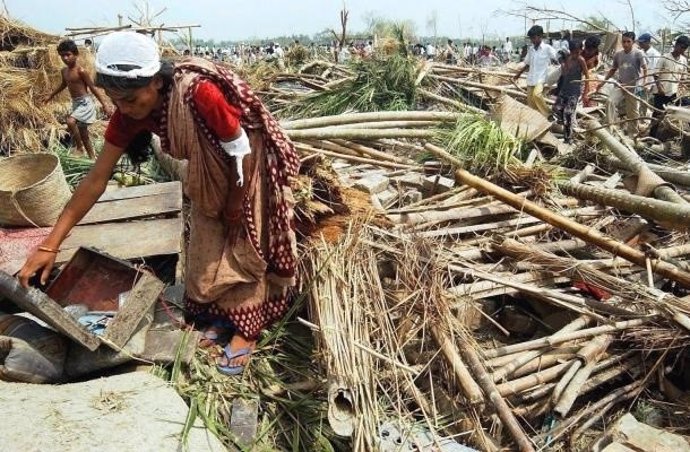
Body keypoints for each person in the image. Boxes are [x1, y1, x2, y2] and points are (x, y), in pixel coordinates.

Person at [18, 31, 300, 377]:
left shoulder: (198, 93)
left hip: (245, 163)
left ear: (156, 82)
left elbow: (238, 147)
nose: (125, 109)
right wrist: (50, 244)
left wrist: (236, 201)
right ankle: (222, 317)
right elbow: (96, 180)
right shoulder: (128, 114)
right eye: (117, 100)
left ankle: (247, 330)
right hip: (207, 168)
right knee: (207, 244)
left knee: (243, 243)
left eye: (132, 99)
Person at [44, 40, 113, 158]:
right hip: (76, 103)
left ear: (76, 55)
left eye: (68, 54)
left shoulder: (81, 71)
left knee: (70, 121)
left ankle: (79, 147)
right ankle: (92, 157)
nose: (65, 58)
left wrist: (105, 104)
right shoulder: (64, 71)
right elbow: (63, 85)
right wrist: (51, 95)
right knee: (84, 134)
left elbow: (93, 88)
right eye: (62, 56)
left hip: (85, 103)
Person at [598, 31, 648, 136]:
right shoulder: (618, 54)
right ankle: (610, 127)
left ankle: (633, 133)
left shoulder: (638, 54)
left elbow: (645, 69)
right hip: (620, 85)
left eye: (628, 42)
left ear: (633, 42)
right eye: (623, 41)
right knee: (610, 101)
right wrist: (602, 83)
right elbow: (613, 69)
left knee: (632, 111)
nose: (625, 44)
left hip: (633, 87)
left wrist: (644, 82)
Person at [513, 25, 558, 117]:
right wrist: (518, 74)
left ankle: (549, 114)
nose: (532, 40)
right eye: (531, 38)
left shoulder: (547, 48)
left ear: (540, 36)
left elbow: (557, 56)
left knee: (537, 95)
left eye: (534, 38)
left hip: (541, 78)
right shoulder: (531, 49)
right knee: (531, 103)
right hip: (531, 79)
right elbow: (527, 63)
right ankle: (537, 118)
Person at [650, 35, 690, 137]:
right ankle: (651, 137)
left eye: (684, 48)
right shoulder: (665, 57)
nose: (682, 50)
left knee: (683, 111)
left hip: (674, 93)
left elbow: (683, 77)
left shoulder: (683, 61)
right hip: (661, 92)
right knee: (657, 115)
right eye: (681, 47)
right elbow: (656, 74)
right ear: (676, 45)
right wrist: (659, 87)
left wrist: (682, 87)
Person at [553, 40, 589, 143]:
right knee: (556, 109)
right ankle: (565, 126)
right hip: (564, 90)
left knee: (568, 114)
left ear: (581, 51)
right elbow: (558, 55)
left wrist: (585, 93)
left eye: (578, 52)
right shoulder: (567, 58)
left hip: (574, 91)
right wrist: (562, 63)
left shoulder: (580, 60)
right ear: (570, 51)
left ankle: (568, 138)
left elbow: (587, 76)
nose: (575, 55)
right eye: (574, 52)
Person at [581, 35, 602, 107]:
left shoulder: (597, 56)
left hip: (592, 80)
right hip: (582, 80)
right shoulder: (581, 55)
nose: (587, 52)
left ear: (595, 49)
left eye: (590, 50)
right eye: (586, 48)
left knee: (591, 102)